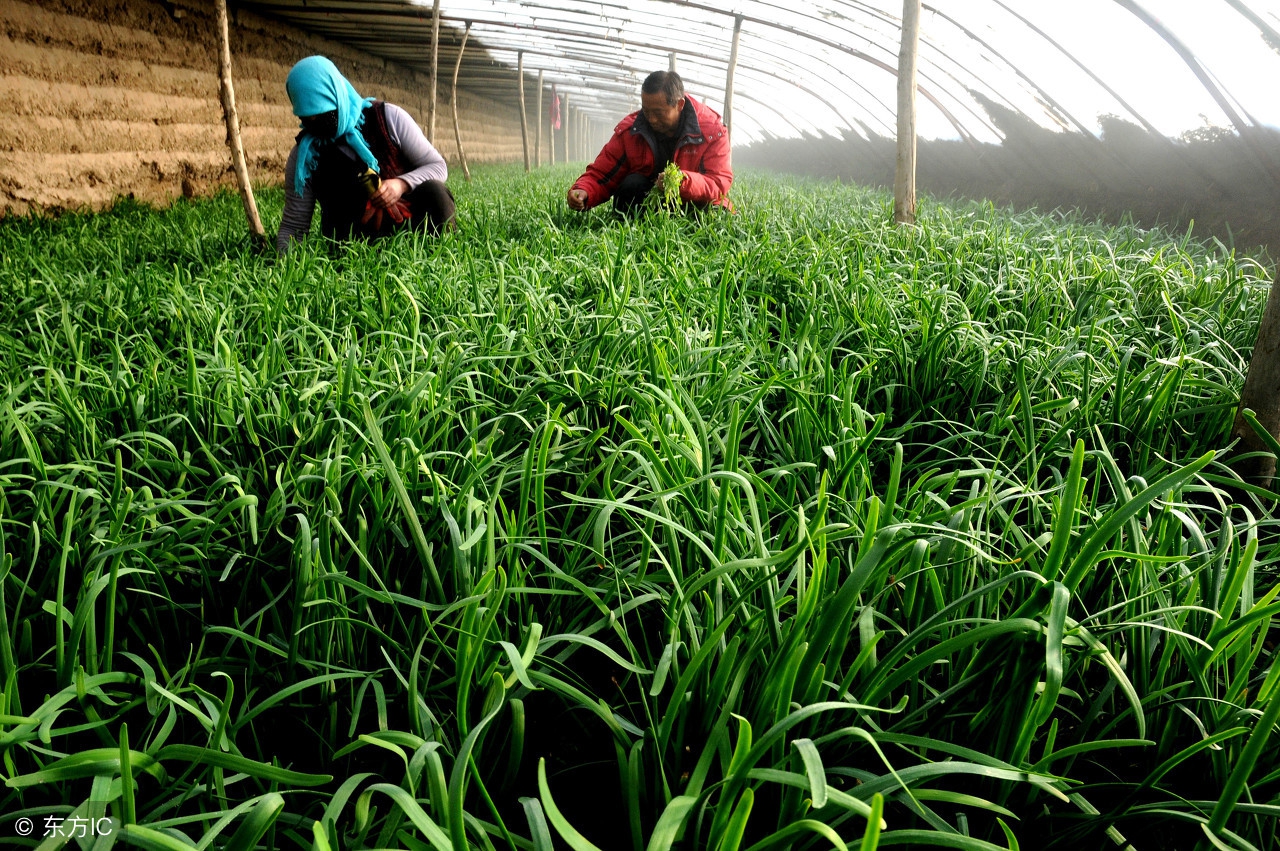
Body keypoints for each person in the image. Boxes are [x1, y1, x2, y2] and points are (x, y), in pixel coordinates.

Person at [276, 56, 455, 254]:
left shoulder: (388, 118)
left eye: (321, 114)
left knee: (436, 194)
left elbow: (438, 166)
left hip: (410, 219)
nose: (316, 123)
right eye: (306, 118)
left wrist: (400, 184)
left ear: (337, 96)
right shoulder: (305, 155)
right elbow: (294, 226)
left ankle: (440, 253)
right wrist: (284, 266)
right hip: (355, 238)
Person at [566, 71, 732, 215]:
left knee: (717, 214)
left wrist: (682, 182)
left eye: (658, 113)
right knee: (631, 186)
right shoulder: (630, 131)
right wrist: (584, 190)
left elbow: (718, 182)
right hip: (648, 203)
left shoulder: (712, 131)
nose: (651, 119)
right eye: (646, 111)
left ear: (679, 105)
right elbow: (603, 172)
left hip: (691, 202)